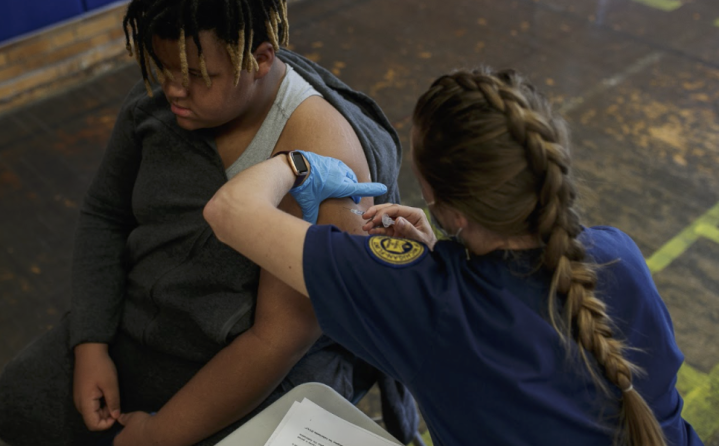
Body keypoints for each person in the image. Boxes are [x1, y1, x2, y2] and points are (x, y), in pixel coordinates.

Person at [0, 0, 418, 446]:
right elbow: (105, 213)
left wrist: (160, 434)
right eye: (163, 68)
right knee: (14, 403)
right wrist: (91, 340)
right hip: (155, 319)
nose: (173, 90)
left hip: (266, 357)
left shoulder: (320, 150)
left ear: (260, 59)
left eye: (197, 75)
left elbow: (278, 337)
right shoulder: (162, 97)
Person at [204, 68, 704, 446]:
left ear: (451, 212)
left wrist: (296, 161)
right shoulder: (618, 253)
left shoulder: (423, 300)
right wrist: (444, 259)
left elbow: (229, 211)